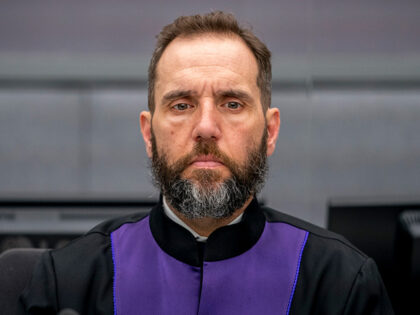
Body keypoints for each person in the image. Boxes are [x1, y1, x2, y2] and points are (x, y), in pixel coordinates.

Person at [21, 11, 394, 315]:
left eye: (232, 104)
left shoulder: (342, 284)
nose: (205, 127)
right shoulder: (68, 283)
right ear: (149, 134)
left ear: (271, 131)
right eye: (181, 105)